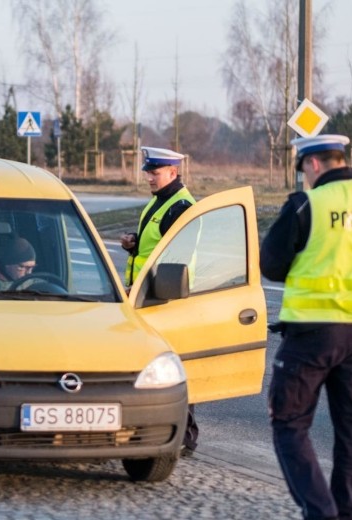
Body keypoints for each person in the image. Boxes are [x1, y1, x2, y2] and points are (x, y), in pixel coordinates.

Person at [260, 134, 352, 520]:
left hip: (312, 334)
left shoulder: (307, 204)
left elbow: (270, 265)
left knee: (289, 422)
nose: (304, 175)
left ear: (314, 164)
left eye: (303, 168)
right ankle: (345, 510)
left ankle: (322, 514)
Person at [120, 146, 198, 456]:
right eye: (148, 172)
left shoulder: (180, 206)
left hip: (164, 299)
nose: (149, 177)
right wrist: (133, 245)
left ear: (173, 172)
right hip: (144, 296)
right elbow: (155, 247)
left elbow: (178, 258)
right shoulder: (160, 202)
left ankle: (185, 436)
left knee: (171, 368)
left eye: (154, 172)